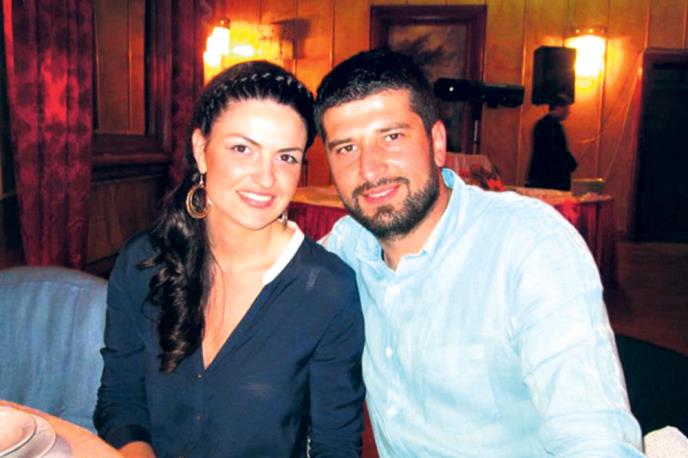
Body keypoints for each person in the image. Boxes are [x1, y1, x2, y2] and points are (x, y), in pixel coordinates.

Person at [315, 48, 643, 456]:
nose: (370, 169)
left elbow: (593, 436)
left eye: (392, 137)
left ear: (437, 143)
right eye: (346, 148)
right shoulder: (348, 248)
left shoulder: (527, 245)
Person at [94, 61, 365, 457]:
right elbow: (121, 397)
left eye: (286, 157)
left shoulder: (328, 290)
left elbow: (335, 445)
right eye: (242, 149)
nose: (266, 178)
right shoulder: (144, 261)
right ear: (201, 150)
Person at [527, 93, 578, 190]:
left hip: (540, 176)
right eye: (566, 109)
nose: (568, 112)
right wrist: (571, 164)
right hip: (553, 179)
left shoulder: (541, 124)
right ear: (558, 107)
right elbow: (559, 151)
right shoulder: (554, 127)